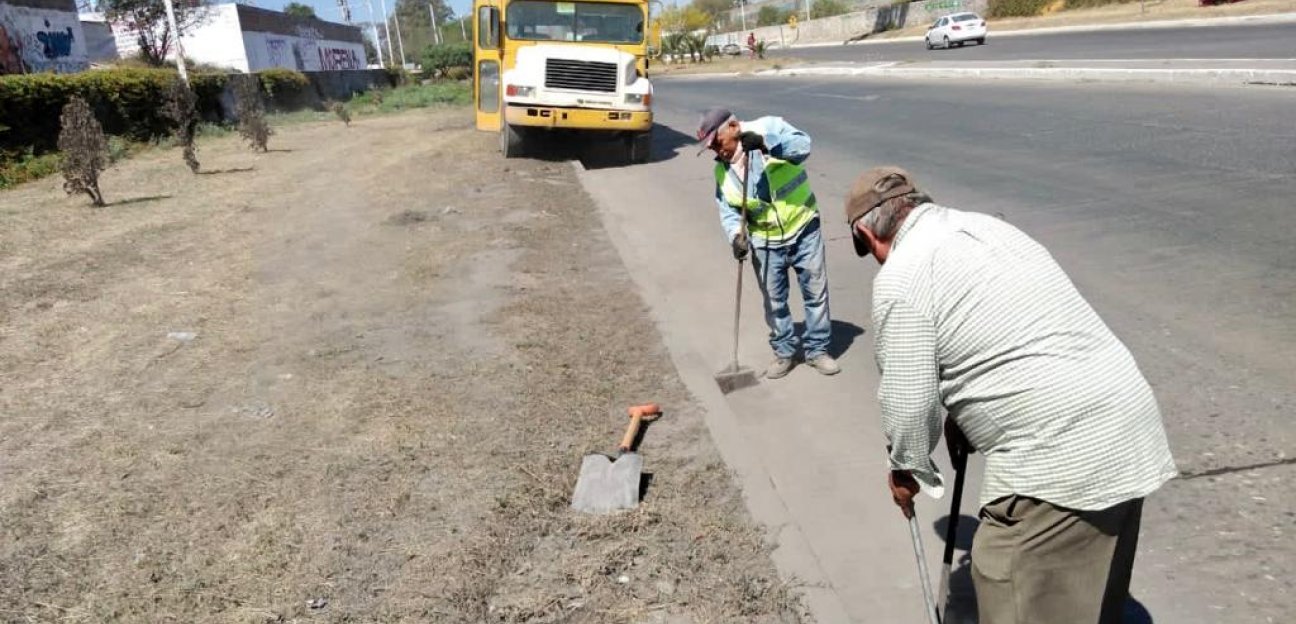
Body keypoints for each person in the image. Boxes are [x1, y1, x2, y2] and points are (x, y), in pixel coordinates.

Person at [843, 166, 1177, 623]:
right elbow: (1005, 334)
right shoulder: (988, 228)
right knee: (1089, 602)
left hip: (1060, 456)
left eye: (867, 249)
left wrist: (905, 470)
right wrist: (964, 414)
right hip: (1127, 428)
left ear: (866, 232)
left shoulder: (902, 278)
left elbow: (909, 406)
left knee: (1006, 577)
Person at [697, 107, 838, 379]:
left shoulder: (770, 127)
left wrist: (767, 145)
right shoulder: (721, 172)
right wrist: (735, 237)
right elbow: (728, 211)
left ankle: (817, 350)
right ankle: (784, 352)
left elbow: (804, 146)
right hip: (764, 241)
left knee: (815, 296)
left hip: (803, 228)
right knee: (775, 303)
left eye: (718, 142)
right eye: (711, 147)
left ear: (734, 126)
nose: (717, 150)